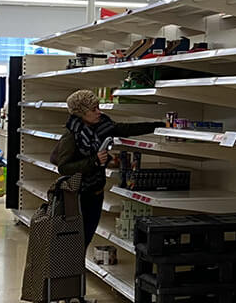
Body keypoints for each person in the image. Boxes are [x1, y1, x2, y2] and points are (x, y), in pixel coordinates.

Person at [56, 90, 161, 251]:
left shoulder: (102, 125)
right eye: (93, 109)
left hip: (96, 192)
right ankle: (71, 273)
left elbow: (125, 129)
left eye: (98, 107)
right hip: (78, 196)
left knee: (85, 238)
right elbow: (64, 167)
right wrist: (94, 161)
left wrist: (158, 126)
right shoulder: (71, 136)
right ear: (81, 113)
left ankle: (75, 270)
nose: (99, 112)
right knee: (78, 241)